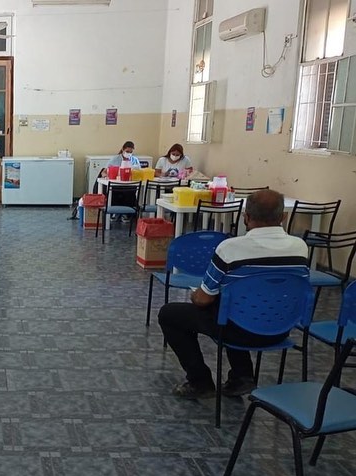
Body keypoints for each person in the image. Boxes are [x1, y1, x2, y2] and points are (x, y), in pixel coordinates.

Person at [158, 189, 309, 399]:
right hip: (281, 329)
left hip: (238, 330)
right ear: (283, 217)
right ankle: (241, 377)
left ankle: (200, 382)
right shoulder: (300, 247)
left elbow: (203, 299)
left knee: (170, 314)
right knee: (236, 305)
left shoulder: (230, 248)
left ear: (246, 217)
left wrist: (196, 295)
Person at [94, 141, 141, 222]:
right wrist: (107, 176)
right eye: (127, 151)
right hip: (116, 185)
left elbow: (139, 172)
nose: (129, 154)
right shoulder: (115, 159)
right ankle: (115, 212)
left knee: (130, 194)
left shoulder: (135, 160)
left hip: (129, 184)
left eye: (131, 152)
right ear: (123, 150)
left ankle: (126, 213)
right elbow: (104, 172)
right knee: (113, 193)